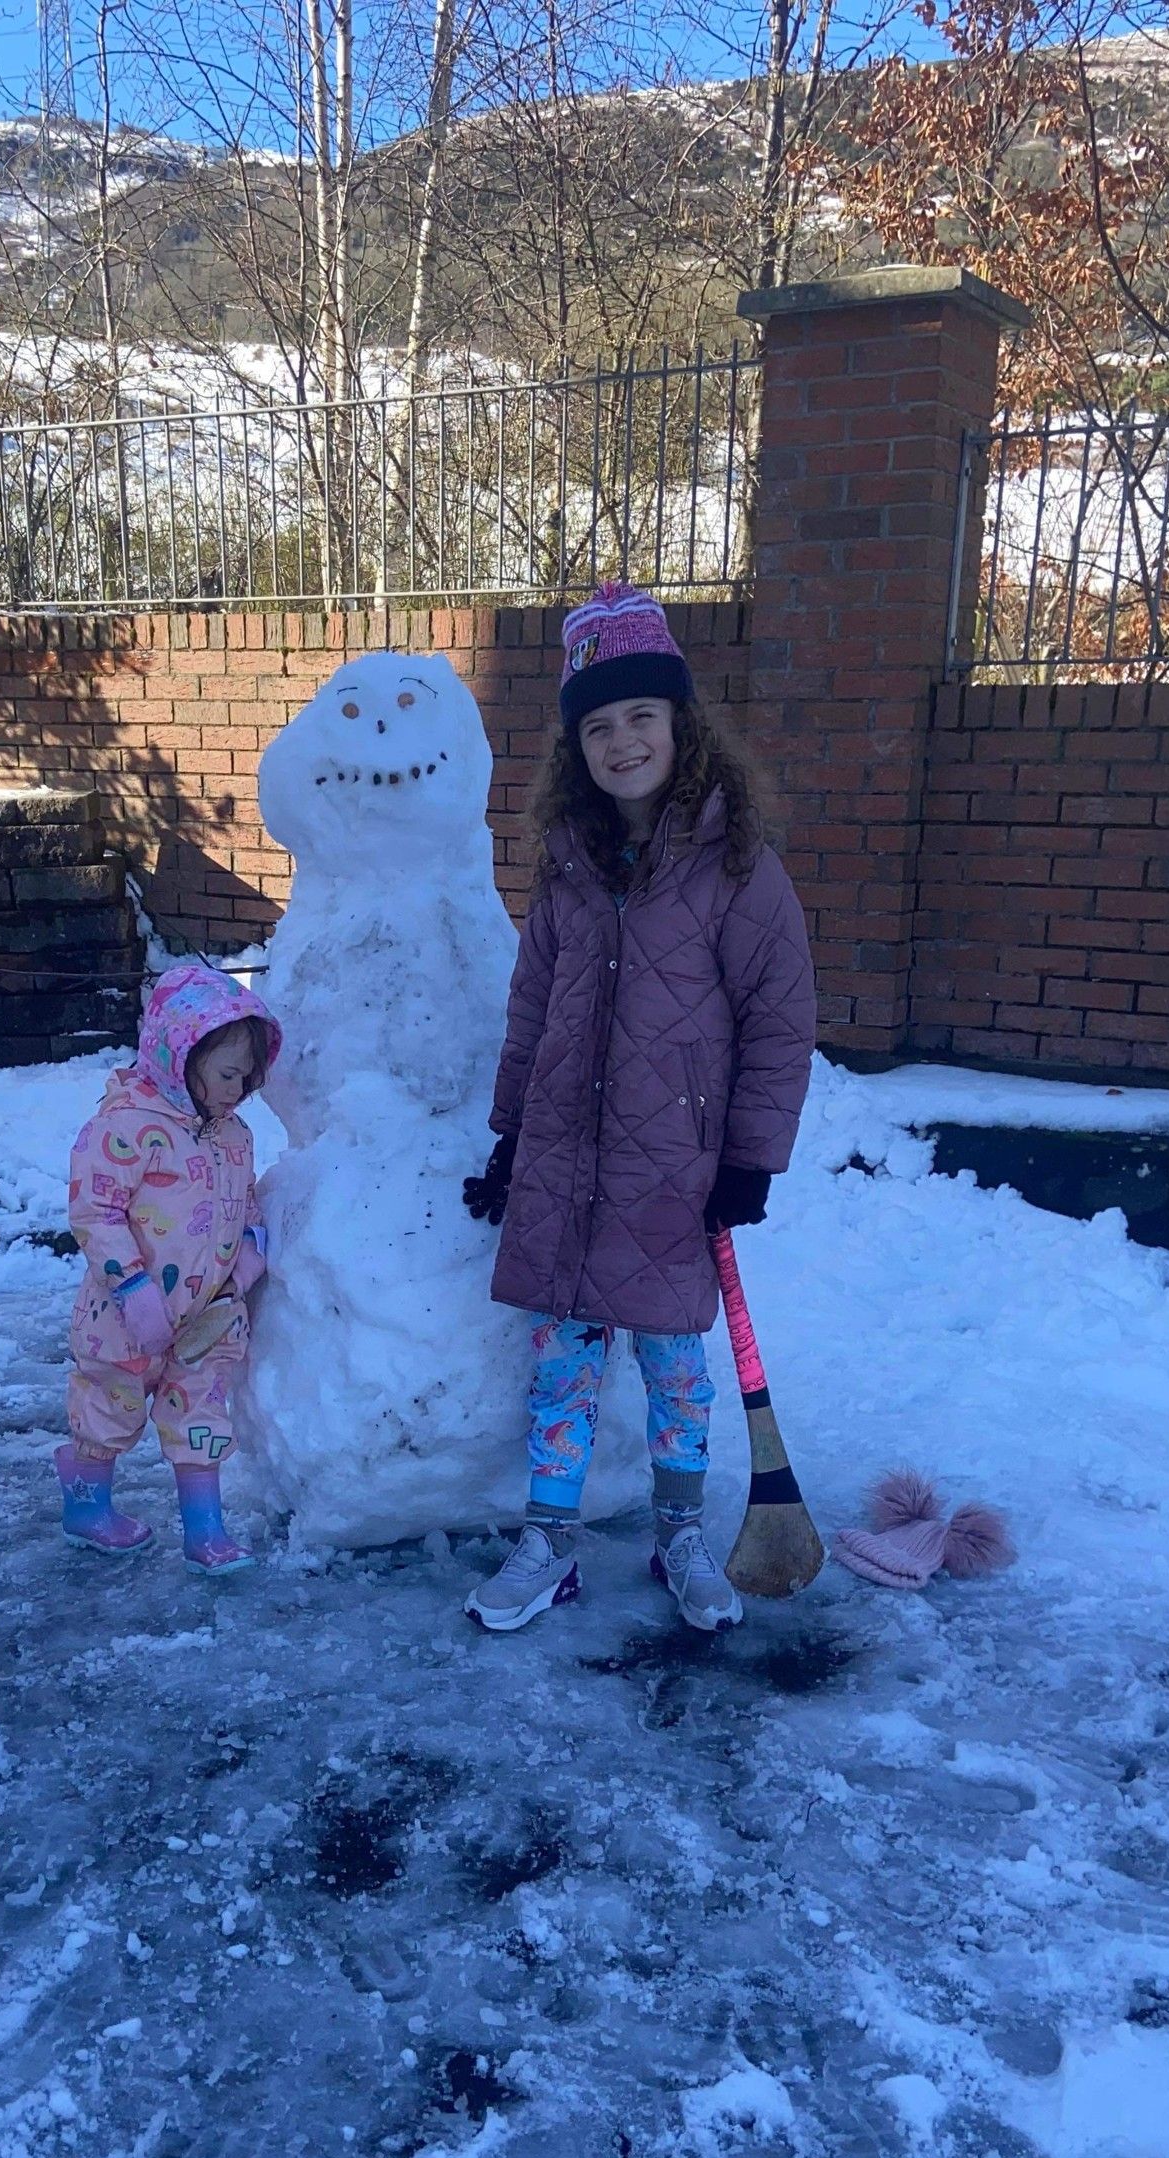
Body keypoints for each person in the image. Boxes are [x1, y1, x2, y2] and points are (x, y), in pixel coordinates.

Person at [462, 581, 816, 1634]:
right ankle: (549, 1543)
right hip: (566, 1167)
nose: (621, 741)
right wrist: (510, 1137)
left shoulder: (737, 867)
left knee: (675, 1370)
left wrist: (749, 1157)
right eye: (599, 725)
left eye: (640, 718)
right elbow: (532, 1009)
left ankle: (681, 1534)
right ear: (577, 745)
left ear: (679, 726)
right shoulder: (565, 867)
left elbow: (778, 1019)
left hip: (673, 1170)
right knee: (560, 1368)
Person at [57, 961, 279, 1573]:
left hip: (208, 1316)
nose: (238, 1089)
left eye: (248, 1078)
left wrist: (250, 1255)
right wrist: (132, 1288)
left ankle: (206, 1529)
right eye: (227, 1073)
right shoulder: (125, 1127)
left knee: (201, 1414)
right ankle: (86, 1502)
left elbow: (245, 1202)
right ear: (181, 1055)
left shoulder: (234, 1136)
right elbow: (94, 1211)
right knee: (111, 1408)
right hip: (126, 1316)